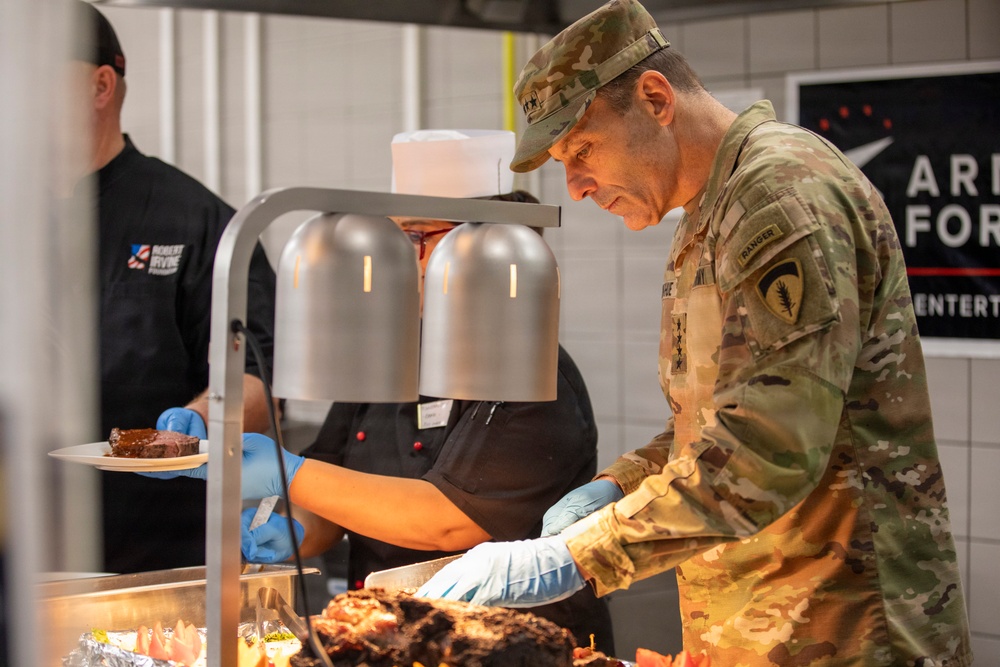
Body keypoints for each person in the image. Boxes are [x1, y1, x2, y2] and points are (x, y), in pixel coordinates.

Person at [415, 1, 974, 665]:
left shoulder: (783, 195)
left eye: (583, 150)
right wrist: (618, 486)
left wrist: (577, 555)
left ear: (655, 97)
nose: (578, 186)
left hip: (843, 634)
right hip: (754, 633)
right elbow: (719, 420)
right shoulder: (705, 216)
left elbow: (770, 448)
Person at [152, 129, 616, 652]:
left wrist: (292, 474)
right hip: (386, 637)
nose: (404, 257)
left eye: (420, 237)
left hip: (515, 646)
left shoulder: (534, 371)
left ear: (484, 245)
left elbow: (447, 522)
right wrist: (297, 530)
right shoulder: (391, 352)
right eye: (397, 237)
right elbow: (332, 493)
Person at [69, 0, 277, 574]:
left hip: (153, 560)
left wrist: (190, 430)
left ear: (100, 86)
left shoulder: (200, 223)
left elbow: (258, 387)